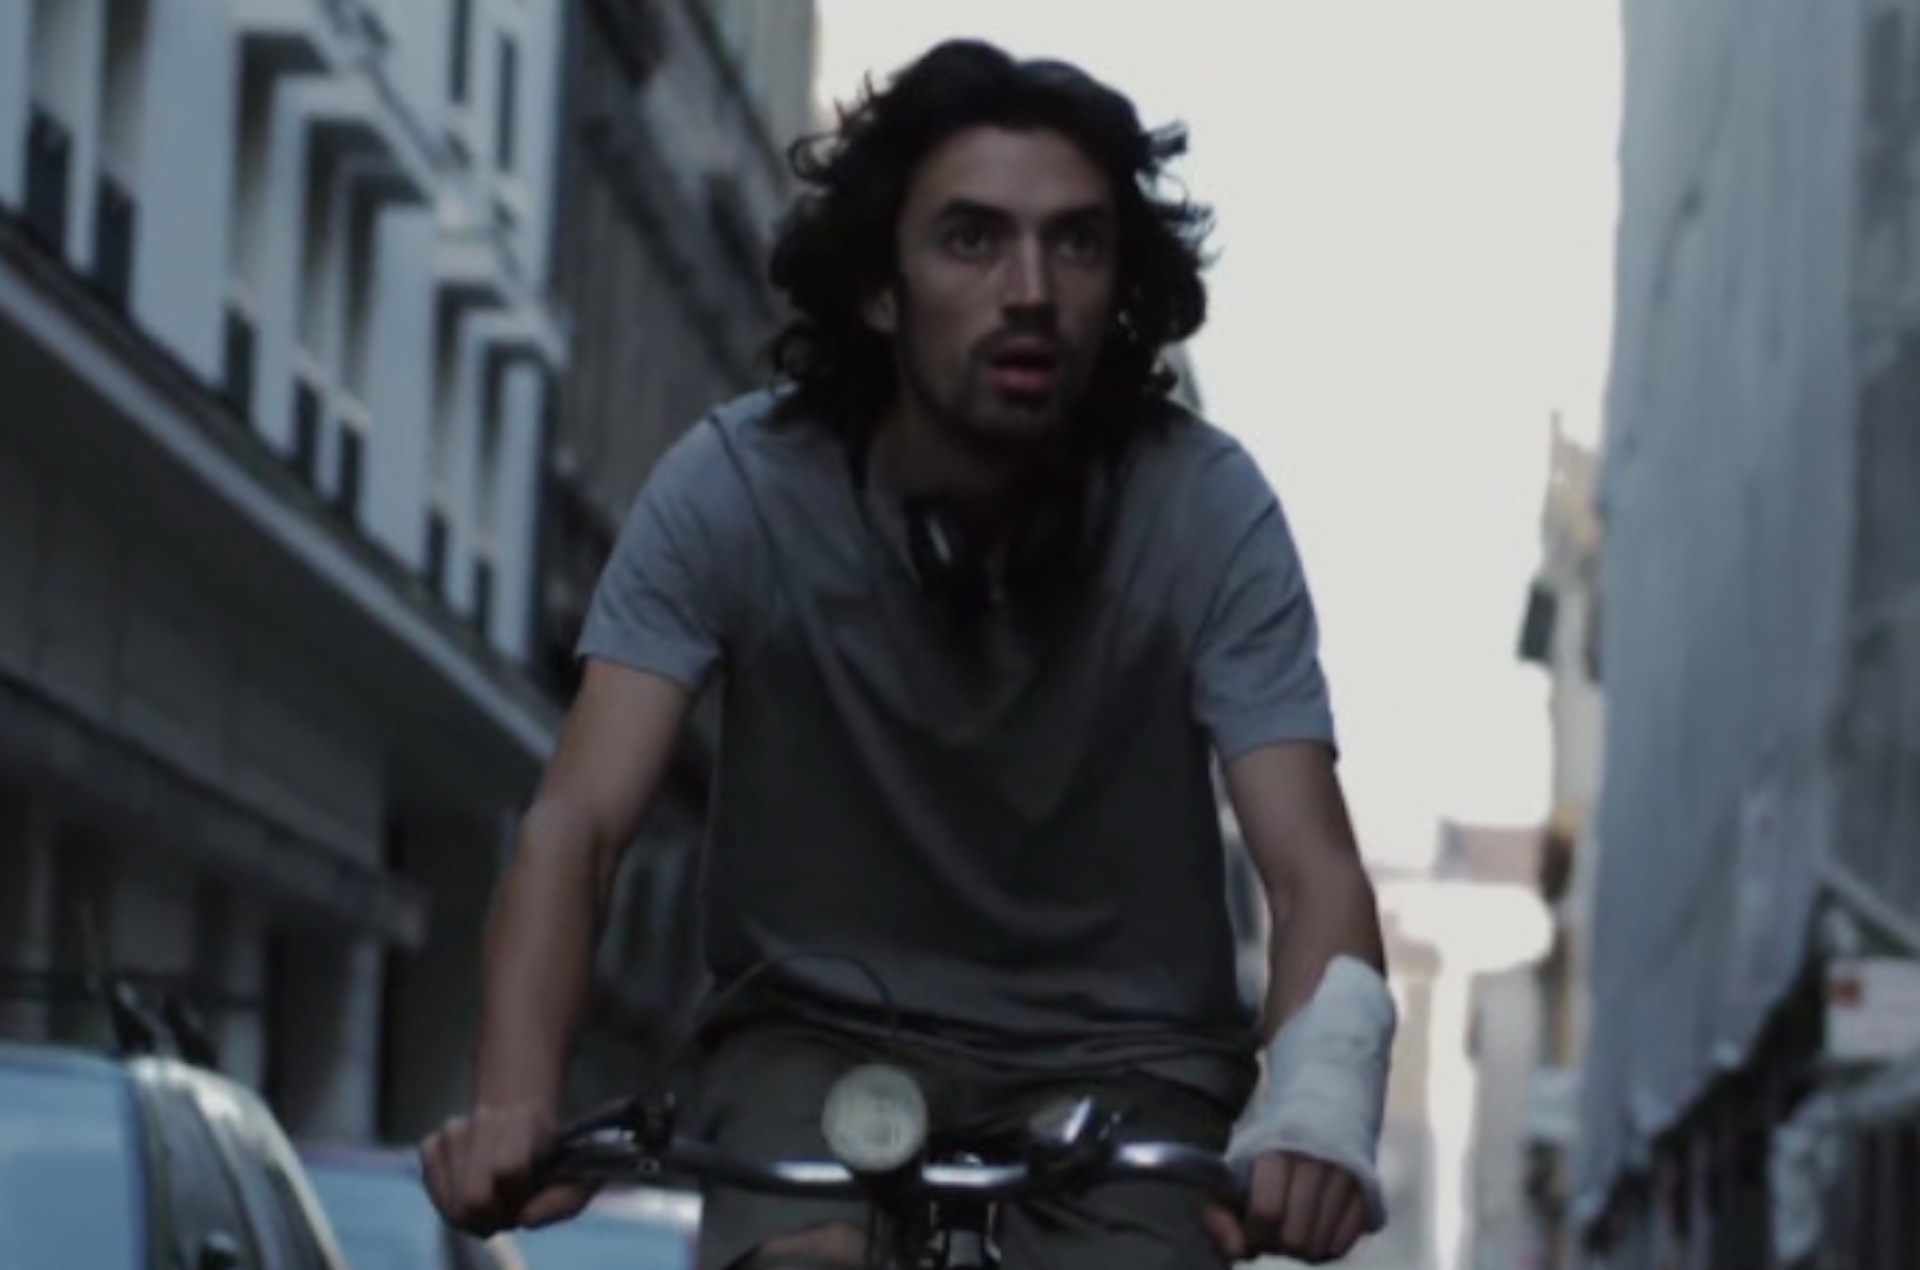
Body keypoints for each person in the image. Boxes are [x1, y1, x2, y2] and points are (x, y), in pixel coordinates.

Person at [420, 38, 1397, 1270]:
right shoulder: (738, 488)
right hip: (812, 1037)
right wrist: (516, 1099)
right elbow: (580, 823)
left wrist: (1315, 1117)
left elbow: (1311, 869)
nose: (1029, 289)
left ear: (1120, 286)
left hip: (1129, 1067)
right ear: (882, 289)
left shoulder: (1206, 509)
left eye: (1077, 243)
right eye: (971, 239)